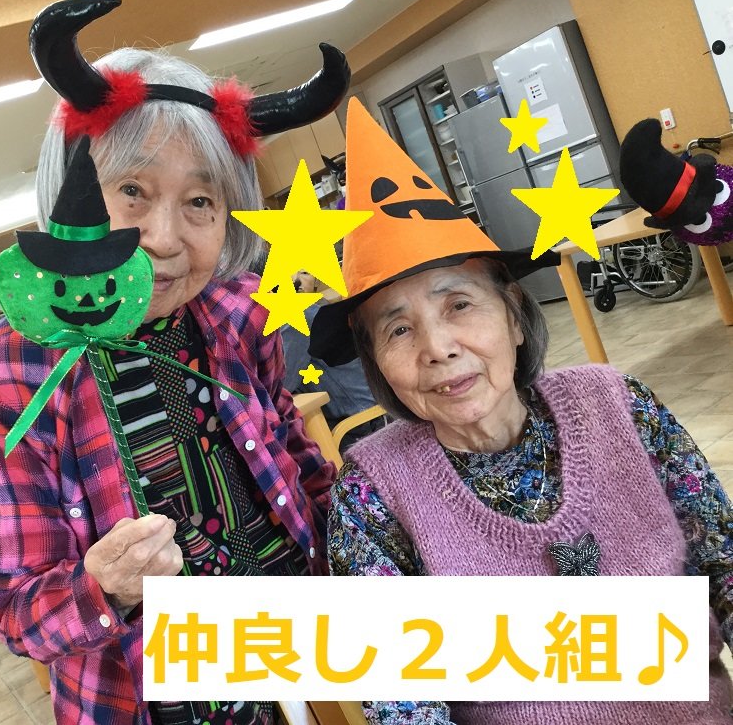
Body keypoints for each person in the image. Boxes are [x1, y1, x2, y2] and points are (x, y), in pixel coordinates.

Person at [0, 0, 346, 724]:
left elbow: (297, 454)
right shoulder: (4, 375)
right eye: (132, 190)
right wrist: (105, 585)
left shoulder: (238, 311)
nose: (164, 238)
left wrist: (355, 539)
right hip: (148, 697)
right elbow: (16, 614)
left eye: (200, 201)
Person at [309, 98, 733, 724]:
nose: (438, 348)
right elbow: (399, 695)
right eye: (398, 330)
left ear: (513, 317)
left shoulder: (617, 402)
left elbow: (724, 560)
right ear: (377, 365)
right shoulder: (373, 491)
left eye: (459, 305)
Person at [280, 297, 384, 453]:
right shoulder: (308, 306)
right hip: (365, 413)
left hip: (362, 423)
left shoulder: (294, 319)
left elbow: (279, 386)